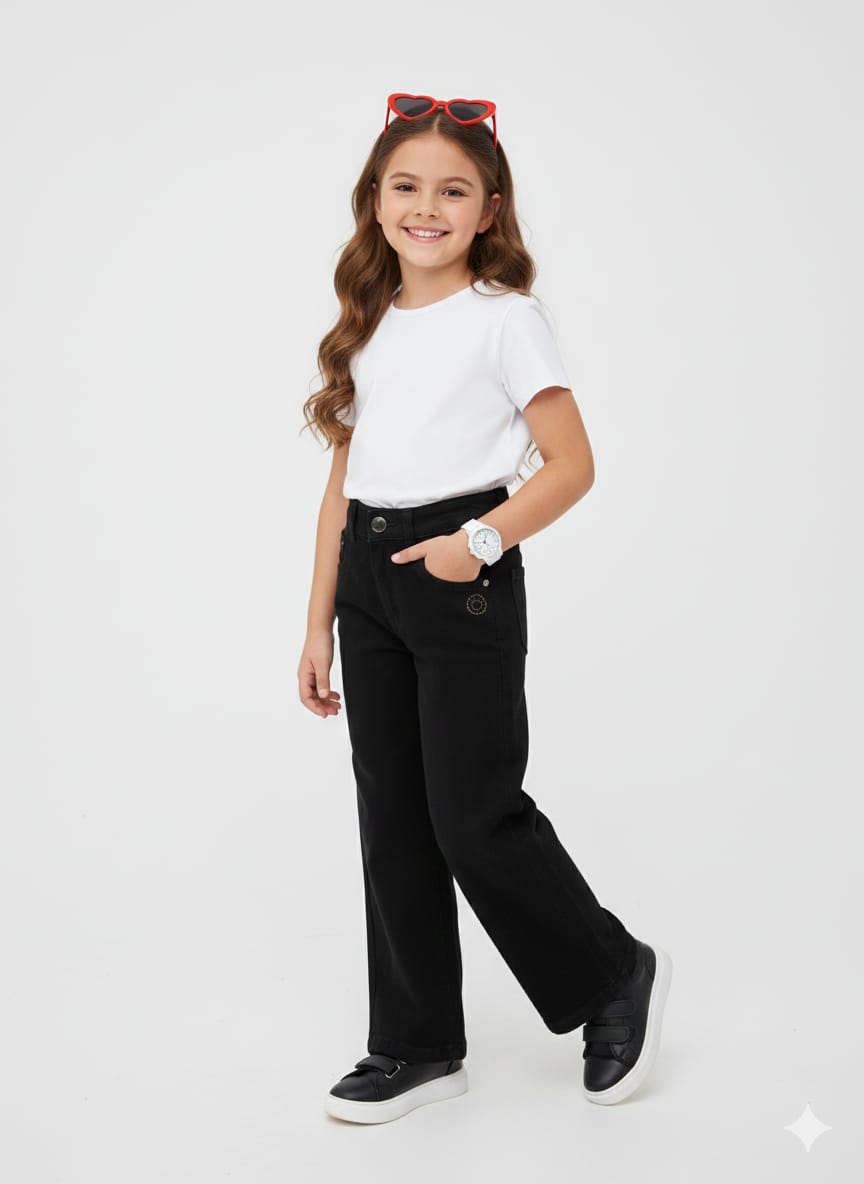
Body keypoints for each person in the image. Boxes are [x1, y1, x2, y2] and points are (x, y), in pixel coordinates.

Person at [299, 93, 672, 1125]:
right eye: (406, 186)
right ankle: (416, 1042)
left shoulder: (506, 318)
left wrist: (476, 545)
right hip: (370, 573)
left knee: (473, 815)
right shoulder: (369, 320)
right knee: (394, 818)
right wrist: (319, 619)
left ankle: (612, 971)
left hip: (460, 568)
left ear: (489, 209)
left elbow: (572, 463)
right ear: (375, 200)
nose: (427, 207)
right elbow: (340, 487)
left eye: (453, 191)